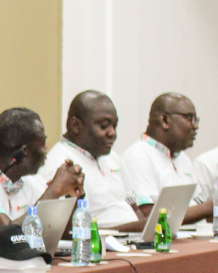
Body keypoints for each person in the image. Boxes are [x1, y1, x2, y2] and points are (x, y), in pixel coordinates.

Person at [40, 92, 143, 234]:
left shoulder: (112, 157)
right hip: (100, 243)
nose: (112, 133)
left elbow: (134, 208)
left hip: (134, 240)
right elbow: (67, 231)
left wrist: (147, 231)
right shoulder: (62, 164)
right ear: (76, 125)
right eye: (104, 126)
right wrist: (133, 229)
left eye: (114, 126)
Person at [0, 108, 82, 227]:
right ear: (25, 152)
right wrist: (54, 191)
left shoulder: (31, 181)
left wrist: (73, 196)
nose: (47, 147)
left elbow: (60, 230)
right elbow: (3, 235)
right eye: (43, 143)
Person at [121, 92, 215, 226]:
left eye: (196, 120)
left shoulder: (182, 158)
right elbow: (150, 216)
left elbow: (199, 207)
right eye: (189, 118)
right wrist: (211, 207)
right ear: (165, 120)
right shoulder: (138, 157)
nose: (195, 126)